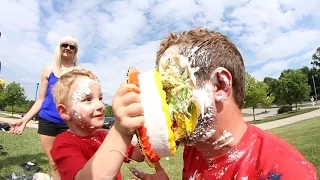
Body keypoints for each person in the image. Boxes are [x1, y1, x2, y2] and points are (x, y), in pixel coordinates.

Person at [113, 28, 318, 180]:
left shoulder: (285, 171)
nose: (161, 103)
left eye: (171, 86)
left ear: (220, 85)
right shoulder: (194, 151)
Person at [50, 68, 145, 180]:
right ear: (64, 112)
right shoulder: (63, 144)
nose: (100, 105)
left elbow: (137, 155)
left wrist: (152, 128)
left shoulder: (105, 136)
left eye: (100, 98)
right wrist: (121, 130)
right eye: (87, 99)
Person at [9, 35, 80, 180]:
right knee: (53, 162)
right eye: (64, 45)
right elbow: (40, 100)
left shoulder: (79, 72)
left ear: (75, 51)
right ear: (59, 47)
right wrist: (24, 120)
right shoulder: (48, 69)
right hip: (47, 121)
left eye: (72, 46)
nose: (67, 48)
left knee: (69, 162)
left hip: (68, 123)